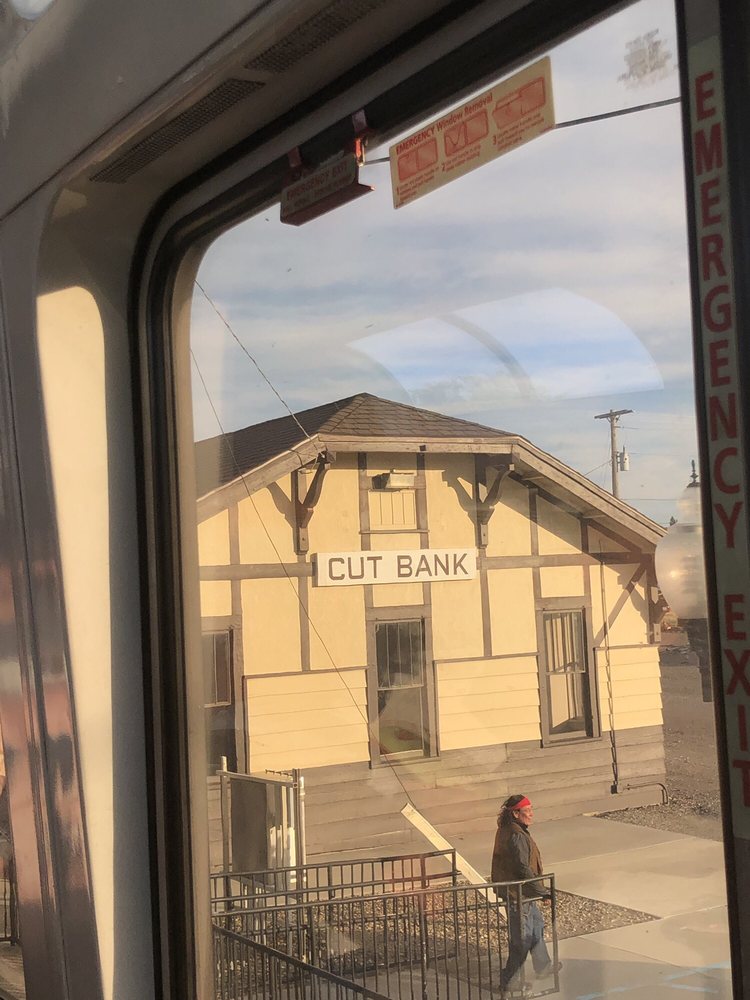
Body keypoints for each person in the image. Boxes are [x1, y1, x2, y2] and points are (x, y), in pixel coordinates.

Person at [490, 793, 561, 992]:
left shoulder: (510, 830)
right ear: (515, 814)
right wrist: (543, 891)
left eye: (531, 810)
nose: (531, 814)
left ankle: (543, 967)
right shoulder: (517, 835)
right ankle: (510, 981)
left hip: (523, 893)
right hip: (518, 893)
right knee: (521, 939)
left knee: (536, 926)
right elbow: (523, 868)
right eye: (527, 811)